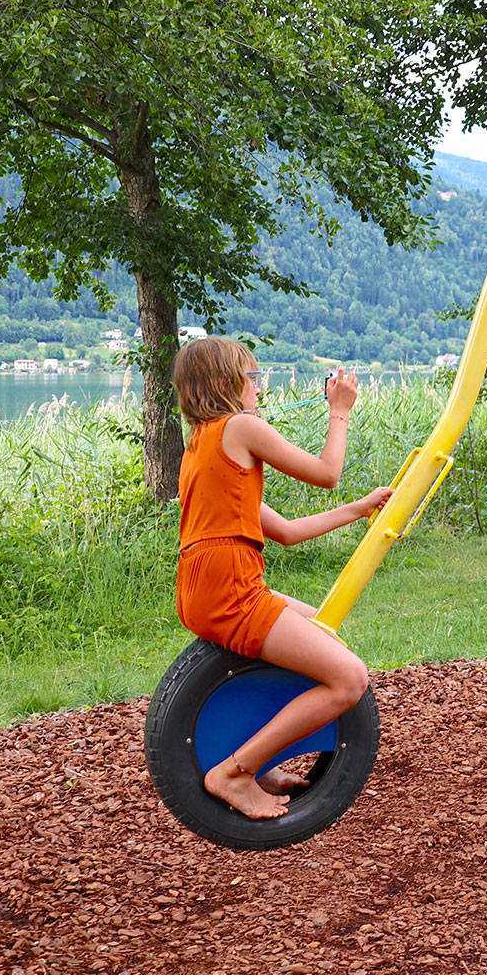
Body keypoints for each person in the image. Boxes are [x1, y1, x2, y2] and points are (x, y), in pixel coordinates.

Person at [172, 337, 394, 821]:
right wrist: (340, 409)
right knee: (349, 678)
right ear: (228, 383)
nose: (260, 387)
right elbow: (326, 471)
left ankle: (258, 756)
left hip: (201, 585)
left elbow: (288, 533)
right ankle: (234, 771)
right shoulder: (241, 426)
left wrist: (358, 511)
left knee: (320, 631)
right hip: (230, 586)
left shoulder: (203, 444)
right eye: (253, 377)